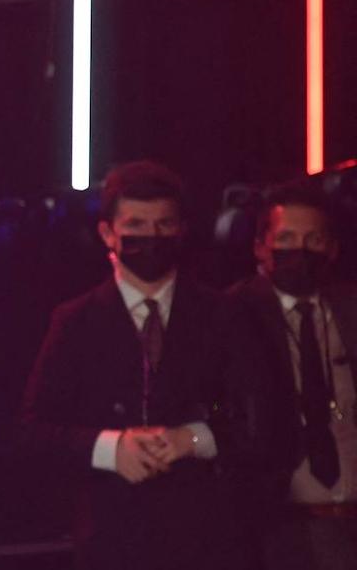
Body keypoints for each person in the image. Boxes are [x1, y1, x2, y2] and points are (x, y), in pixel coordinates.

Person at [20, 161, 256, 569]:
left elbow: (238, 408)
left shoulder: (221, 314)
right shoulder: (75, 321)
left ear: (181, 230)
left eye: (164, 225)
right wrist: (111, 448)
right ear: (107, 233)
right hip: (111, 538)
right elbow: (36, 427)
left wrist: (195, 436)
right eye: (136, 225)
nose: (152, 238)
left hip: (207, 539)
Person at [227, 184, 357, 570]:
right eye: (286, 238)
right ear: (260, 247)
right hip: (278, 523)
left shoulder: (349, 308)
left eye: (313, 239)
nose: (300, 250)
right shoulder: (233, 313)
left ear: (332, 248)